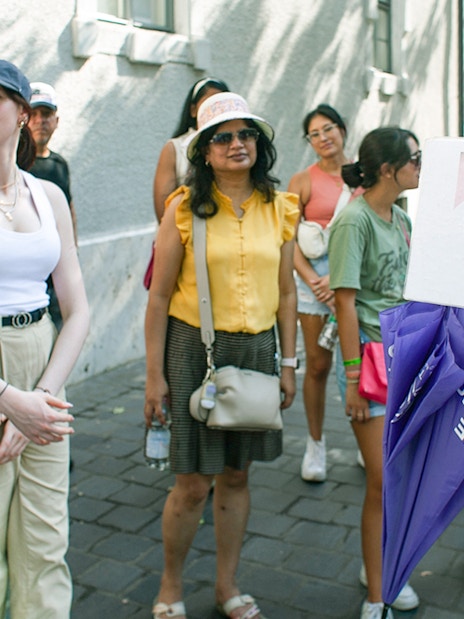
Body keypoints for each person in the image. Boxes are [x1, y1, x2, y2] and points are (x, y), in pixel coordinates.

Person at [144, 92, 299, 619]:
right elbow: (160, 296)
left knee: (237, 476)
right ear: (205, 151)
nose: (238, 144)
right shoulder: (183, 207)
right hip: (193, 350)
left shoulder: (281, 208)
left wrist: (288, 362)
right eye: (224, 137)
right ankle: (170, 588)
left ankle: (226, 587)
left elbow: (286, 293)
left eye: (247, 134)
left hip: (257, 349)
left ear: (259, 143)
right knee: (191, 483)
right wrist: (153, 377)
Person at [0, 60, 89, 619]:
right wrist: (9, 400)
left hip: (42, 358)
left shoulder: (47, 195)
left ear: (22, 114)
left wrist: (42, 398)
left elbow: (77, 309)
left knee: (44, 541)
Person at [328, 127, 421, 619]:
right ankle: (375, 596)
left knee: (401, 477)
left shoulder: (400, 218)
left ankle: (383, 568)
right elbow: (344, 302)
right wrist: (349, 381)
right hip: (368, 365)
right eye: (414, 158)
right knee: (382, 481)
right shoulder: (355, 221)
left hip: (405, 361)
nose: (419, 166)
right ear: (387, 169)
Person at [288, 104, 361, 482]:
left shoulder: (363, 174)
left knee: (360, 365)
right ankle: (315, 444)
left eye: (328, 128)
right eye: (314, 133)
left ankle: (367, 440)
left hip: (353, 278)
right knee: (317, 364)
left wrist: (340, 278)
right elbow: (286, 237)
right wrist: (313, 279)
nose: (323, 138)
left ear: (343, 129)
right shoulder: (301, 180)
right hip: (312, 282)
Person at [28, 82, 77, 330]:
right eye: (33, 114)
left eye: (46, 114)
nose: (40, 121)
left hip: (56, 276)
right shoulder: (13, 166)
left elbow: (69, 212)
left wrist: (72, 258)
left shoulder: (59, 165)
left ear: (56, 120)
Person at [153, 76, 230, 222]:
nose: (216, 111)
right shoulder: (174, 149)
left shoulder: (236, 146)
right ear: (193, 110)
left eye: (221, 104)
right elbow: (163, 210)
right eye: (209, 104)